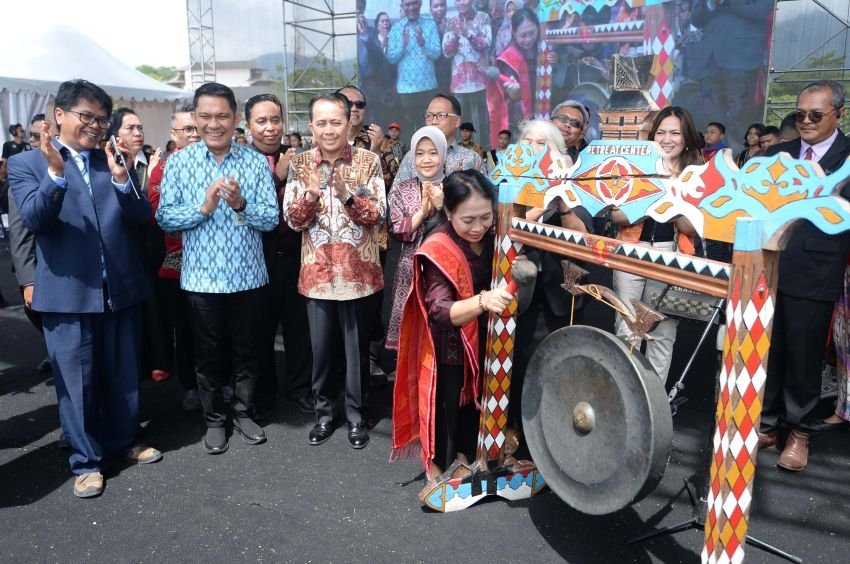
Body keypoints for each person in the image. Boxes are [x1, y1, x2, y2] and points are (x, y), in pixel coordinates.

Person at [9, 79, 162, 498]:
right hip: (67, 293)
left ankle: (122, 440)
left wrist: (120, 178)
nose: (95, 126)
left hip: (121, 289)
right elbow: (36, 221)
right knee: (76, 384)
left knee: (123, 374)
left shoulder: (110, 160)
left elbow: (139, 215)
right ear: (59, 115)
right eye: (87, 116)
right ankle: (86, 461)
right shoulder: (28, 165)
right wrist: (56, 174)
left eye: (102, 119)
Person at [156, 82, 280, 455]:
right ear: (195, 118)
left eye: (222, 115)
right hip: (201, 280)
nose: (214, 123)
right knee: (207, 354)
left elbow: (271, 219)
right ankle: (214, 420)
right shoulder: (178, 162)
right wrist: (204, 208)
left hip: (248, 277)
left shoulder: (255, 162)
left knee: (248, 351)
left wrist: (241, 203)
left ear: (235, 119)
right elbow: (164, 217)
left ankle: (242, 412)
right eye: (205, 116)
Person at [391, 169, 514, 487]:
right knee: (450, 411)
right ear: (448, 212)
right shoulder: (438, 246)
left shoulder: (494, 235)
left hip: (487, 340)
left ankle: (470, 460)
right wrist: (484, 301)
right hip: (451, 347)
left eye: (485, 217)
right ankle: (441, 472)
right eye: (468, 220)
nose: (478, 227)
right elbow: (440, 312)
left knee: (481, 407)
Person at [283, 92, 386, 450]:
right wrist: (311, 196)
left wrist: (346, 196)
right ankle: (324, 415)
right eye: (322, 122)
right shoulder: (299, 165)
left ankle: (357, 417)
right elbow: (293, 222)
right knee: (321, 351)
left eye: (336, 122)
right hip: (318, 276)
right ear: (311, 126)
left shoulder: (368, 161)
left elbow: (378, 215)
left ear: (348, 123)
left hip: (360, 274)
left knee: (357, 354)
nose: (329, 130)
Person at [759, 80, 850, 472]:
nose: (806, 122)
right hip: (769, 266)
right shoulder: (778, 153)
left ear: (839, 114)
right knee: (769, 350)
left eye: (816, 114)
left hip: (818, 269)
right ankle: (767, 424)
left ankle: (800, 432)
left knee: (804, 354)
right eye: (799, 115)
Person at [611, 106, 702, 382]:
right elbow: (617, 215)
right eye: (661, 132)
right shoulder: (637, 169)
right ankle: (625, 396)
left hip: (671, 256)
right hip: (631, 252)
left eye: (675, 132)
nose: (667, 139)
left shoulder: (696, 174)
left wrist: (671, 200)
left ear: (686, 137)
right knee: (627, 328)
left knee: (662, 333)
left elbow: (692, 228)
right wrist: (651, 195)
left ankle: (654, 404)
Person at [244, 93, 314, 416]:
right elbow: (249, 212)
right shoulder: (242, 162)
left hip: (297, 256)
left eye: (275, 120)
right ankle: (264, 394)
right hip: (259, 260)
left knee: (299, 328)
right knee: (260, 331)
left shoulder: (298, 158)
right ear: (248, 126)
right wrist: (277, 178)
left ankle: (299, 389)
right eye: (262, 121)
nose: (270, 128)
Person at [147, 104, 201, 411]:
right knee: (186, 328)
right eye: (187, 129)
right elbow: (158, 215)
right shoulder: (163, 169)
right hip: (178, 263)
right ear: (173, 135)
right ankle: (190, 384)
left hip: (217, 263)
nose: (194, 134)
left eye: (198, 128)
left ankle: (221, 381)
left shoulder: (221, 162)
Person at [386, 125, 447, 350]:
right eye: (419, 153)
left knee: (442, 332)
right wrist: (422, 212)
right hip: (410, 269)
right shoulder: (403, 189)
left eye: (433, 152)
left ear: (443, 152)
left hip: (446, 268)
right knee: (411, 337)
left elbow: (467, 226)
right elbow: (398, 230)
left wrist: (444, 205)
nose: (426, 159)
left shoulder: (457, 185)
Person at [393, 93, 486, 187]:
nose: (433, 121)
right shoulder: (411, 157)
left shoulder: (472, 158)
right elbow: (395, 197)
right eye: (429, 116)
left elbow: (487, 197)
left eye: (441, 115)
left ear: (457, 121)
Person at [487, 8, 539, 148]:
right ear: (513, 32)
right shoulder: (509, 59)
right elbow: (509, 98)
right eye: (523, 35)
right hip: (519, 121)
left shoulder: (541, 49)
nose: (528, 39)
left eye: (532, 33)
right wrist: (514, 93)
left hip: (541, 111)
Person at [386, 0, 442, 128]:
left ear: (420, 4)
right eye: (407, 4)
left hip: (428, 86)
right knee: (409, 131)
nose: (411, 7)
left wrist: (422, 42)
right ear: (402, 6)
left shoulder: (430, 25)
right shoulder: (396, 28)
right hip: (406, 90)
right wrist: (402, 45)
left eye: (414, 3)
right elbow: (391, 58)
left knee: (431, 128)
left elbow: (437, 54)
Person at [443, 0, 492, 146]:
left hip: (480, 81)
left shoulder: (483, 17)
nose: (461, 2)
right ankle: (462, 157)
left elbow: (485, 44)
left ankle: (482, 154)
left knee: (481, 123)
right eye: (458, 0)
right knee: (460, 122)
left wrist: (467, 33)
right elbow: (446, 52)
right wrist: (457, 35)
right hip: (459, 83)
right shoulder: (451, 22)